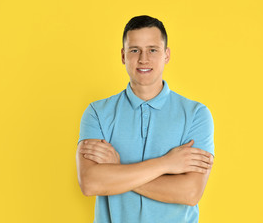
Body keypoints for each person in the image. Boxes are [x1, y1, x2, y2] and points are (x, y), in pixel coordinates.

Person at [76, 15, 215, 223]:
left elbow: (190, 192)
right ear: (123, 56)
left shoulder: (196, 114)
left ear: (166, 55)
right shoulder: (97, 112)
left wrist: (117, 169)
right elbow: (90, 183)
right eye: (135, 50)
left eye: (152, 49)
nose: (143, 59)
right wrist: (166, 164)